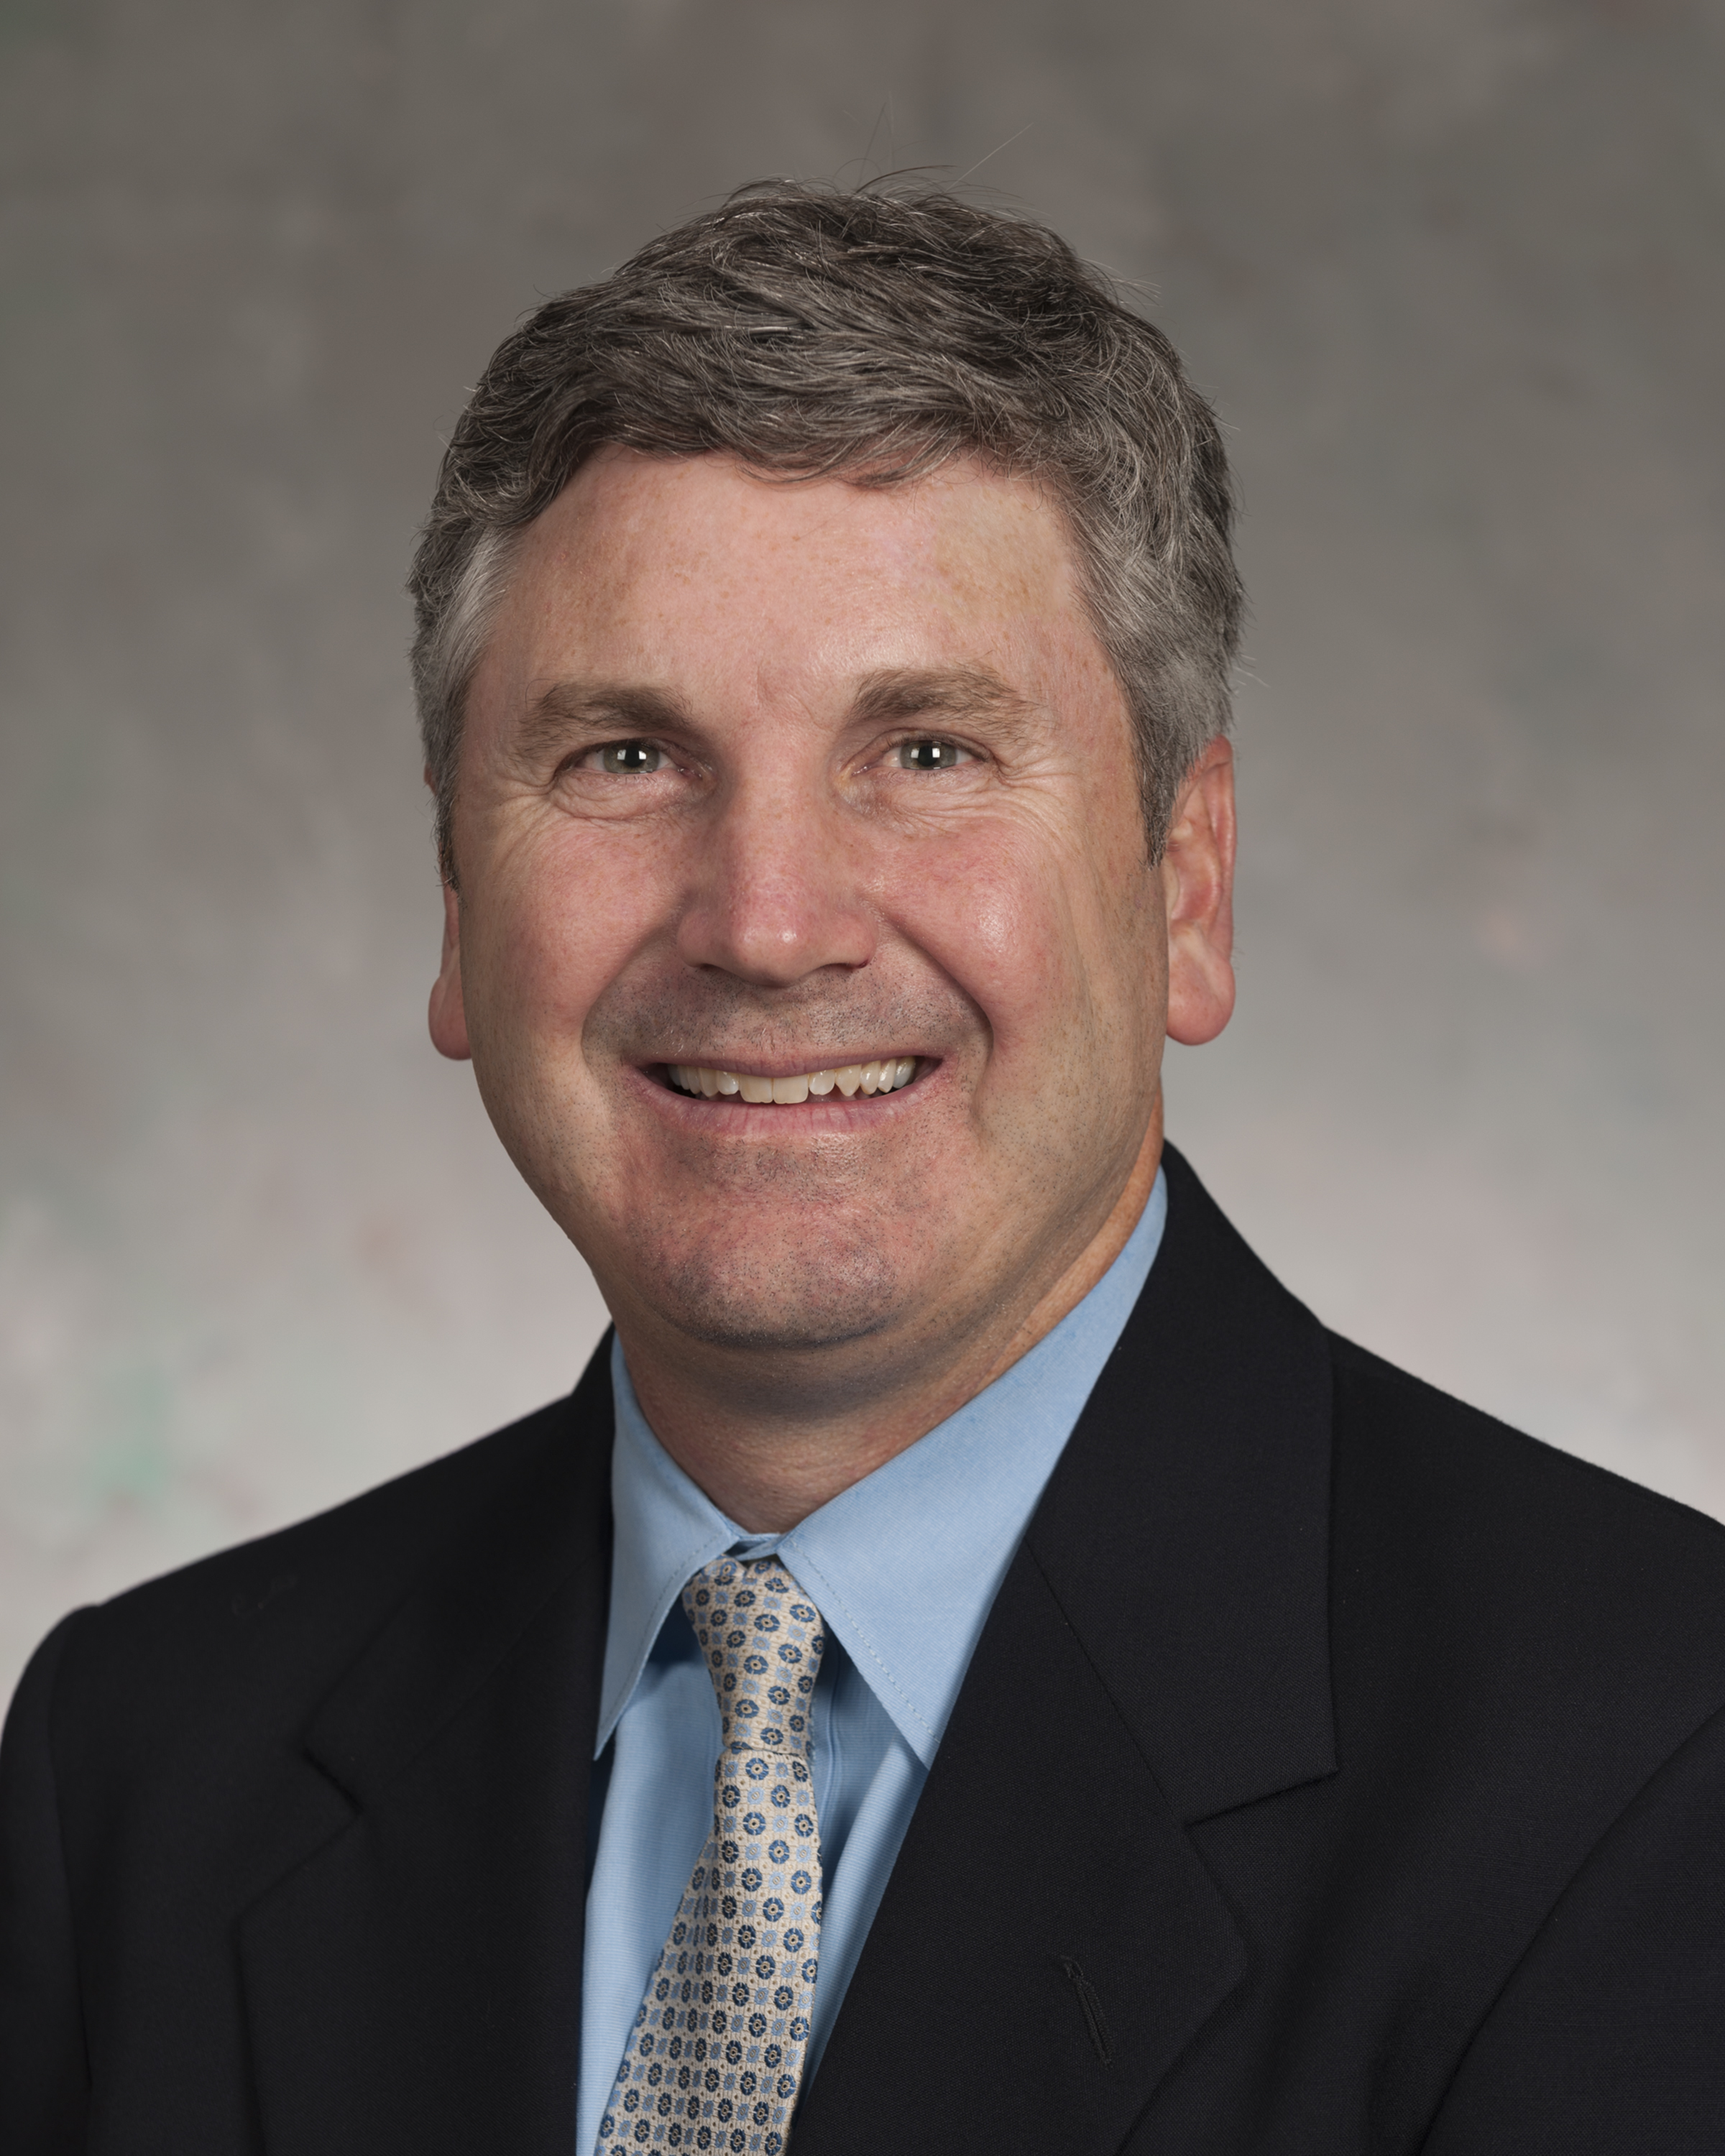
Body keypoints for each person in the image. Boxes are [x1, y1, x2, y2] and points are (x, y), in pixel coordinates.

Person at [4, 182, 1724, 2156]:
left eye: (926, 752)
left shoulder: (1653, 1767)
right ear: (459, 902)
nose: (766, 923)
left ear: (1186, 882)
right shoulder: (141, 1771)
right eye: (625, 757)